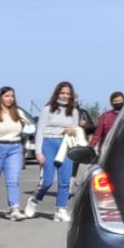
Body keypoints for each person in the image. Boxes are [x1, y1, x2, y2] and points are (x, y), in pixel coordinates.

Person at [24, 81, 87, 222]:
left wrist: (73, 130)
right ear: (57, 94)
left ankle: (61, 209)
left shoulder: (74, 111)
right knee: (47, 181)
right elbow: (40, 131)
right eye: (62, 93)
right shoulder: (48, 109)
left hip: (65, 144)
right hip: (48, 142)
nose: (65, 96)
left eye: (67, 94)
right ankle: (34, 200)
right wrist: (38, 152)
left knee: (65, 180)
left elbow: (75, 129)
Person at [0, 87, 28, 219]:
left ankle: (14, 209)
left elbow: (28, 129)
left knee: (13, 179)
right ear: (0, 97)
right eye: (7, 96)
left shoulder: (18, 112)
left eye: (12, 96)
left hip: (14, 147)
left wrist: (27, 125)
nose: (10, 99)